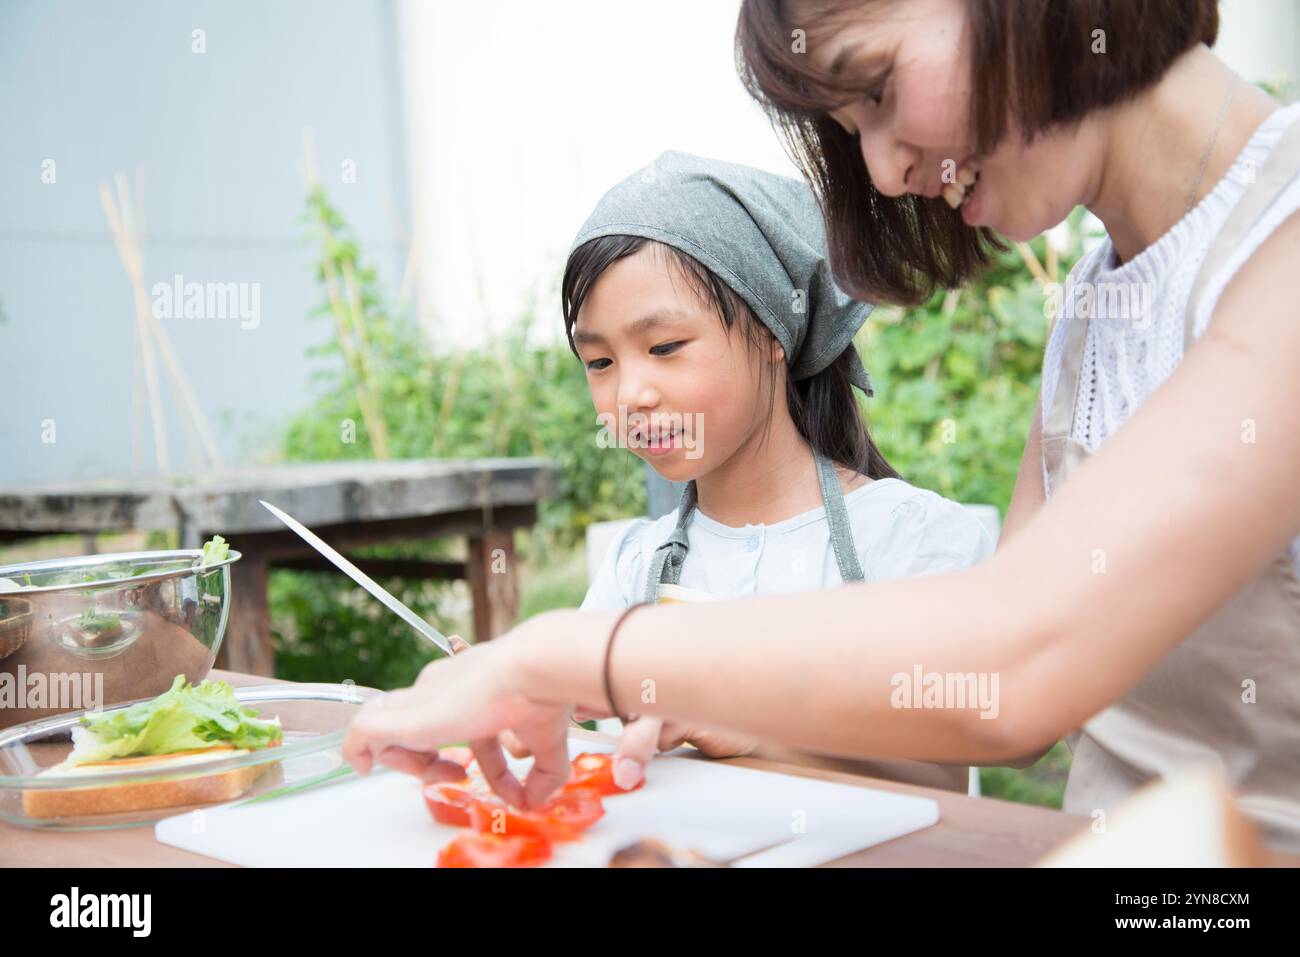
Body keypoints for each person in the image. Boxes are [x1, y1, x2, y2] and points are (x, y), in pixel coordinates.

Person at [343, 0, 1300, 851]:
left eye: (879, 88)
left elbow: (1014, 658)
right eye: (851, 126)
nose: (882, 173)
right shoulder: (1098, 300)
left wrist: (554, 658)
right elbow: (996, 677)